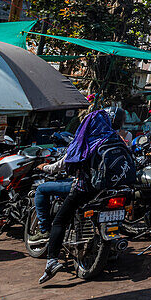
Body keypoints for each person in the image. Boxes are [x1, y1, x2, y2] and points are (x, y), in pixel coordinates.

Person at [38, 109, 137, 284]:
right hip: (112, 190)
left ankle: (52, 260)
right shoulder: (116, 140)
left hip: (86, 190)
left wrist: (45, 168)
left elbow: (64, 164)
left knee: (60, 220)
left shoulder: (87, 140)